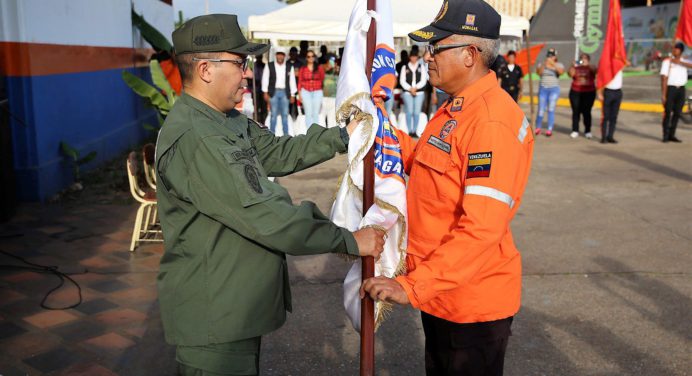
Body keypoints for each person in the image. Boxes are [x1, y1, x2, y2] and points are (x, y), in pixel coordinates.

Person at [157, 14, 385, 376]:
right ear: (205, 69)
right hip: (215, 316)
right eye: (240, 63)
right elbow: (269, 216)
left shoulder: (224, 119)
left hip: (234, 306)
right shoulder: (198, 137)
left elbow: (277, 152)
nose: (247, 74)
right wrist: (348, 239)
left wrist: (343, 135)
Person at [361, 1, 534, 375]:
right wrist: (381, 130)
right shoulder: (457, 108)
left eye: (436, 48)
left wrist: (412, 287)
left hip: (471, 304)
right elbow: (424, 161)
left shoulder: (490, 122)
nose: (427, 57)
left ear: (470, 54)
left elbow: (482, 229)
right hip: (444, 293)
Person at [660, 42, 691, 143]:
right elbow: (664, 78)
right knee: (668, 112)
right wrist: (663, 94)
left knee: (677, 113)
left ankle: (672, 134)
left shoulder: (684, 61)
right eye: (674, 49)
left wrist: (679, 62)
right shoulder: (667, 62)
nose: (675, 50)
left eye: (677, 49)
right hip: (671, 89)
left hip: (681, 89)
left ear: (681, 51)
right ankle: (665, 135)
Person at [262, 48, 297, 136]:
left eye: (282, 54)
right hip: (273, 92)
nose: (280, 56)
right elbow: (265, 79)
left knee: (285, 114)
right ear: (276, 55)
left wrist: (293, 94)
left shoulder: (289, 66)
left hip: (285, 92)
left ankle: (286, 134)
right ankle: (271, 134)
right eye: (278, 54)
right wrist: (265, 92)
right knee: (273, 114)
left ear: (284, 56)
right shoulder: (269, 65)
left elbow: (292, 80)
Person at [534, 48, 565, 137]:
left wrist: (553, 64)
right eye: (549, 55)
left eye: (552, 55)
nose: (550, 57)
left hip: (553, 90)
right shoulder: (542, 64)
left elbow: (561, 72)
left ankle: (549, 129)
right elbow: (539, 73)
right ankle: (538, 127)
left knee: (551, 109)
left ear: (555, 56)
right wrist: (545, 64)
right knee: (540, 110)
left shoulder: (559, 64)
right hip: (543, 89)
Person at [567, 53, 597, 139]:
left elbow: (595, 71)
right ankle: (575, 130)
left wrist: (587, 65)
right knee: (576, 111)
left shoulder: (591, 66)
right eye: (581, 58)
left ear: (588, 59)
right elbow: (570, 74)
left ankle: (588, 130)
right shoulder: (576, 67)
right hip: (575, 92)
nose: (583, 60)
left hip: (589, 92)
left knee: (587, 112)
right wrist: (572, 65)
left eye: (585, 58)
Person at [400, 49, 428, 136]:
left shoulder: (421, 67)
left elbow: (424, 80)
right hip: (408, 93)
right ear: (410, 57)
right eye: (412, 56)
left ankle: (415, 131)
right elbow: (402, 81)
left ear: (417, 57)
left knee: (416, 112)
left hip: (419, 92)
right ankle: (409, 131)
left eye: (415, 56)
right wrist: (410, 89)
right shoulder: (405, 67)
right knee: (409, 111)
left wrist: (416, 88)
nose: (414, 58)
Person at [297, 50, 326, 127]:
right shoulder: (303, 68)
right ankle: (309, 134)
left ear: (314, 57)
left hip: (317, 91)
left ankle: (315, 133)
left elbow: (322, 78)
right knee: (308, 113)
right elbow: (300, 81)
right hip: (305, 91)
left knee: (316, 113)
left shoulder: (319, 67)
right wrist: (299, 94)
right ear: (306, 58)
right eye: (308, 56)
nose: (310, 58)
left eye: (312, 56)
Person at [597, 69, 623, 144]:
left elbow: (627, 63)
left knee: (614, 116)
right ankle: (603, 137)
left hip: (618, 92)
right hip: (608, 91)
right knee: (605, 116)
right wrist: (599, 93)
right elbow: (600, 78)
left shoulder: (620, 65)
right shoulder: (607, 67)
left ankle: (610, 136)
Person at [253, 54, 268, 124]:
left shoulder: (264, 66)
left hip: (264, 90)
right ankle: (256, 122)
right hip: (256, 89)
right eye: (258, 57)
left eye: (260, 57)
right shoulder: (253, 66)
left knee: (264, 108)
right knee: (256, 107)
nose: (259, 58)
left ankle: (263, 123)